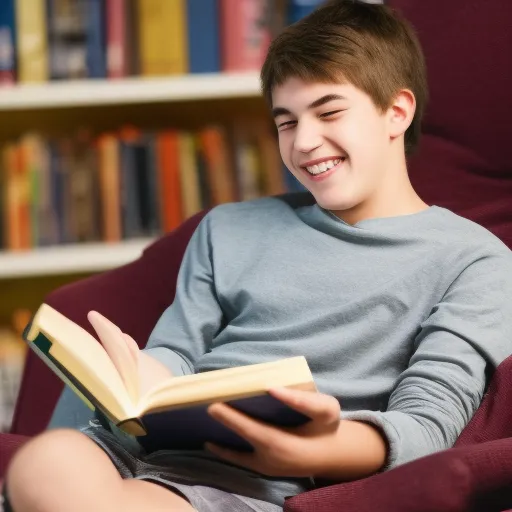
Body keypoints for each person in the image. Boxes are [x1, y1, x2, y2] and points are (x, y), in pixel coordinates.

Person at [4, 1, 512, 511]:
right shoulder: (228, 227)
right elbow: (179, 351)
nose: (305, 143)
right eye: (286, 122)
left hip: (240, 483)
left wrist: (321, 448)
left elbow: (428, 425)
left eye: (329, 111)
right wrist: (139, 376)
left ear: (396, 112)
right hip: (129, 447)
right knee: (44, 464)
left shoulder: (474, 262)